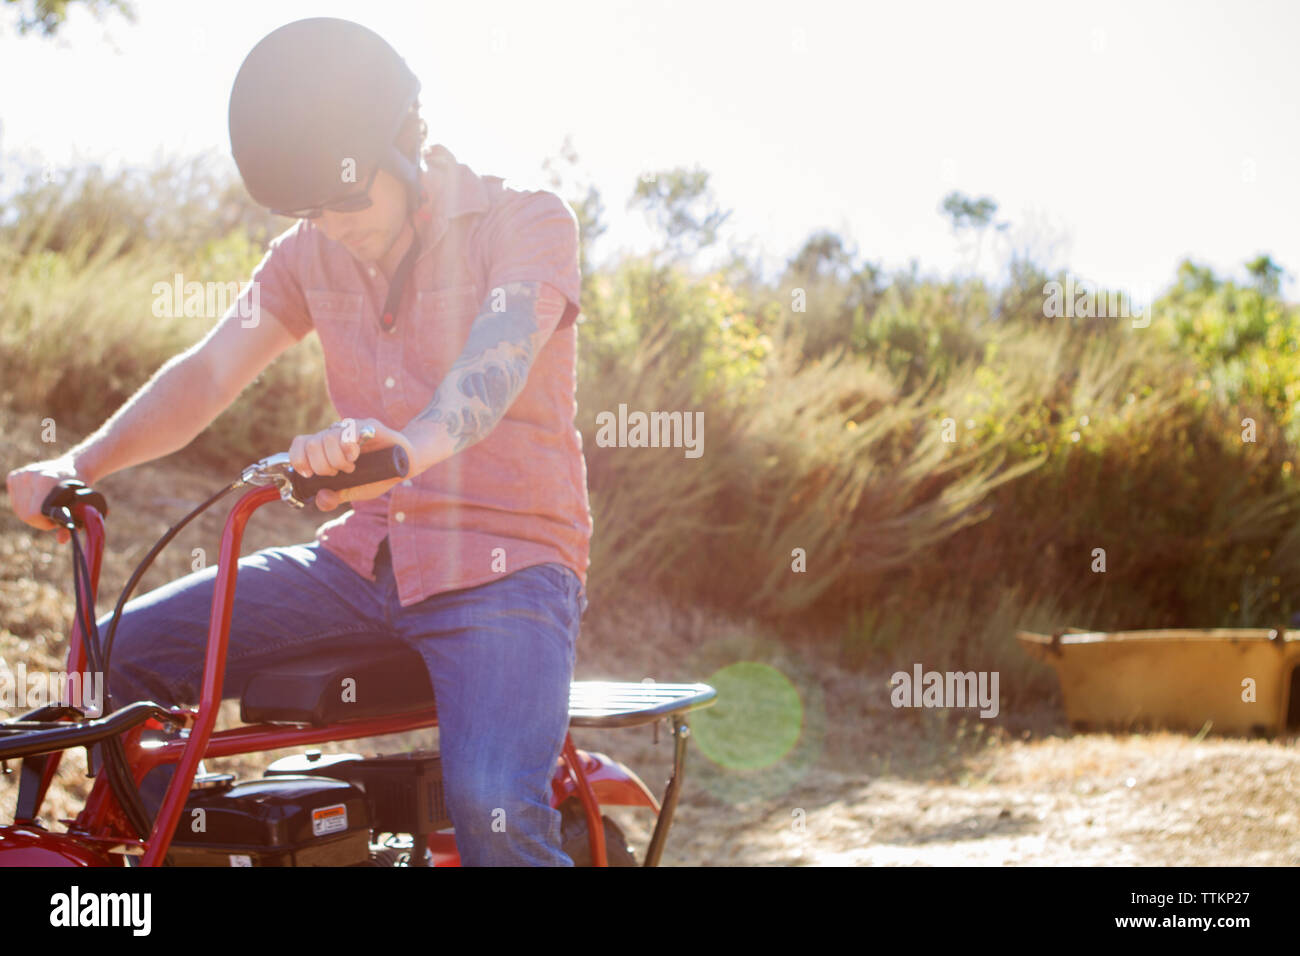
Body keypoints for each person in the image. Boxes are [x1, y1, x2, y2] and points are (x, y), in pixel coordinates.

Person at [4, 17, 591, 866]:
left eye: (346, 198)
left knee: (492, 803)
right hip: (359, 563)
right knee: (118, 651)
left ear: (403, 140)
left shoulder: (525, 221)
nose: (332, 225)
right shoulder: (308, 254)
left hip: (506, 569)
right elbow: (208, 375)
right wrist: (78, 463)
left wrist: (409, 445)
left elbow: (494, 364)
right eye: (310, 208)